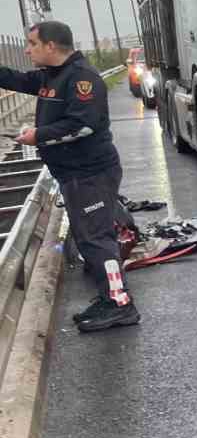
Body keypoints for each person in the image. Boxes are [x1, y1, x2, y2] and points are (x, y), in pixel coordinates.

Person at [0, 21, 138, 331]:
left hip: (90, 173)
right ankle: (110, 296)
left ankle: (120, 304)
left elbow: (83, 125)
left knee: (97, 239)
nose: (27, 50)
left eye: (32, 44)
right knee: (89, 237)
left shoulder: (81, 78)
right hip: (74, 174)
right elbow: (16, 79)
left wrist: (38, 136)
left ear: (51, 46)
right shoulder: (52, 76)